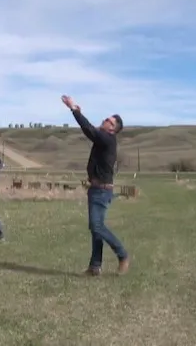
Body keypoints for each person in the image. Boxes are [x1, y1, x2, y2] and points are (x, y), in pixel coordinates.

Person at [61, 94, 130, 275]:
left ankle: (122, 254)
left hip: (101, 191)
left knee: (96, 226)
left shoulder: (107, 139)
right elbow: (92, 129)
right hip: (97, 189)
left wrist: (73, 108)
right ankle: (95, 266)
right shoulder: (104, 139)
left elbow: (88, 129)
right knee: (96, 228)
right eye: (107, 119)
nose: (105, 121)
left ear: (113, 130)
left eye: (109, 121)